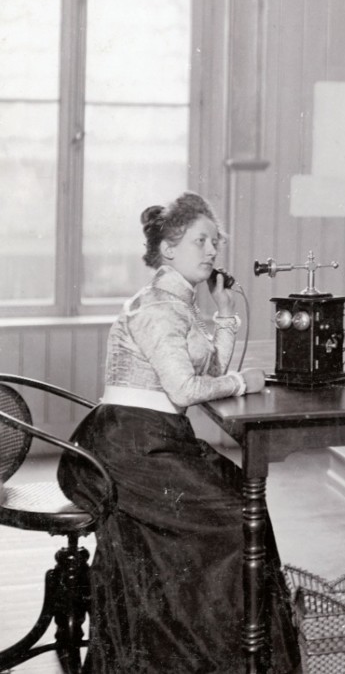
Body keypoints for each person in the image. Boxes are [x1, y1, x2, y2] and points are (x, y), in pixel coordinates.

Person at [58, 192, 300, 673]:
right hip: (131, 445)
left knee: (240, 497)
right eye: (200, 241)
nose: (212, 251)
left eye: (216, 242)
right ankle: (227, 654)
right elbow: (188, 388)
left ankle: (231, 649)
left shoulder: (182, 304)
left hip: (156, 436)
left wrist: (225, 311)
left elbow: (210, 363)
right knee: (237, 516)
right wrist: (239, 382)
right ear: (168, 249)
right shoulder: (155, 309)